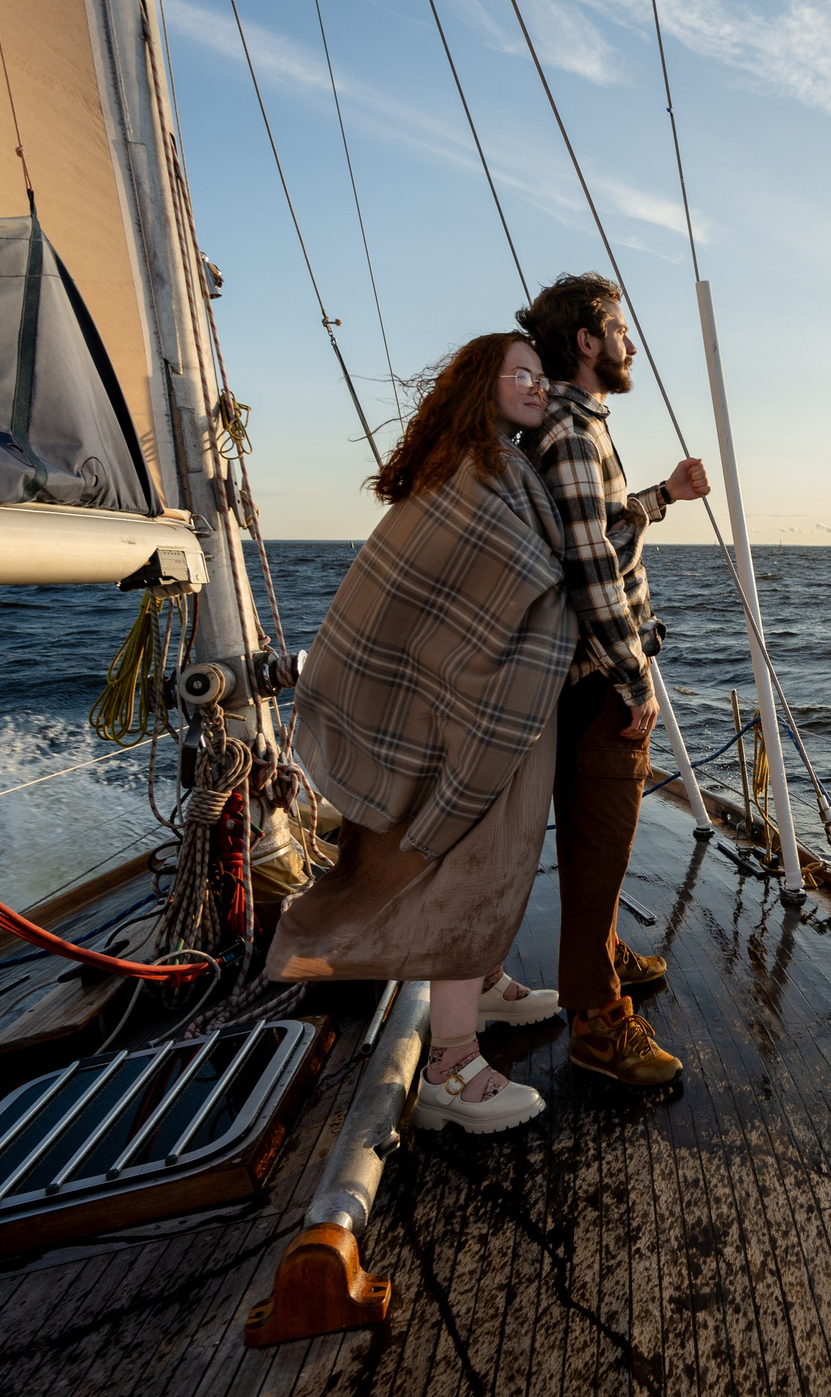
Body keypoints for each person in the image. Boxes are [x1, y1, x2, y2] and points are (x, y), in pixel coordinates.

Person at [265, 333, 577, 1135]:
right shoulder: (480, 471)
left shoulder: (482, 463)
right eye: (520, 375)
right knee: (471, 868)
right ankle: (450, 1068)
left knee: (492, 860)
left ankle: (481, 982)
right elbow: (511, 586)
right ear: (482, 385)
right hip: (475, 714)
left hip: (483, 703)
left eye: (541, 378)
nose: (536, 388)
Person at [516, 273, 709, 1087]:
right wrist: (635, 680)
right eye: (619, 330)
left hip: (593, 671)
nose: (631, 343)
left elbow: (601, 526)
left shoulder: (575, 426)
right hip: (598, 676)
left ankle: (601, 952)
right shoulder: (570, 430)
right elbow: (589, 565)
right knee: (599, 844)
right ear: (587, 342)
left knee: (603, 841)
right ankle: (597, 1026)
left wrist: (663, 496)